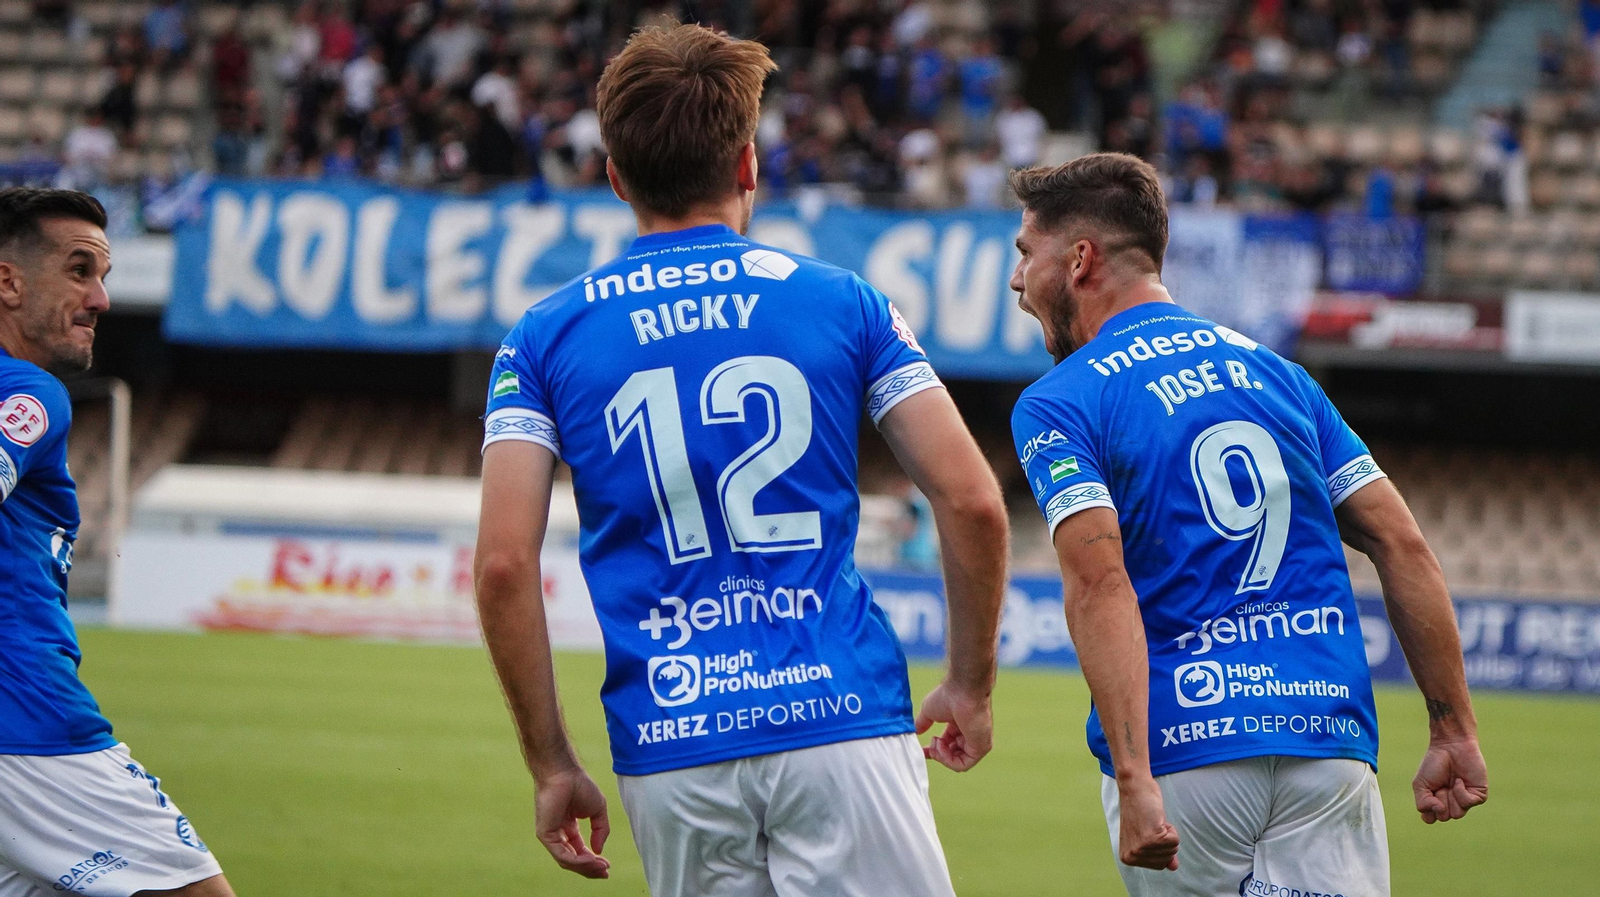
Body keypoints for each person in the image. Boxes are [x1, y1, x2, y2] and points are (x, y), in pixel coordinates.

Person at [475, 24, 1008, 897]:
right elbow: (973, 501)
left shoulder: (540, 339)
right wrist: (969, 683)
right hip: (839, 714)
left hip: (672, 743)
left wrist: (552, 761)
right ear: (748, 165)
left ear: (614, 177)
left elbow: (502, 566)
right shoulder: (845, 302)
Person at [1004, 154, 1487, 896]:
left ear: (1079, 260)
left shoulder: (1062, 400)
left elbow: (1101, 583)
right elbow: (1401, 542)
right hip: (1325, 740)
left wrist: (1133, 778)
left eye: (1024, 253)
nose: (1016, 280)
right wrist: (1454, 730)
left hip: (1187, 752)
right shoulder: (1279, 375)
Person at [0, 188, 233, 896]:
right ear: (7, 281)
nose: (101, 297)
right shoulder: (29, 392)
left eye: (103, 275)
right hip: (30, 727)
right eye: (79, 270)